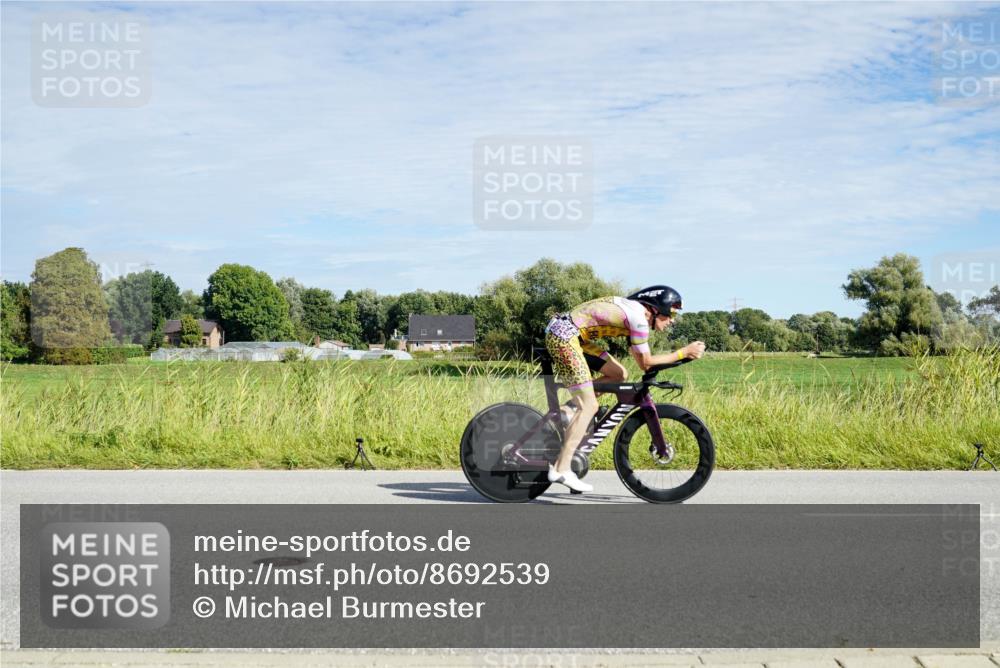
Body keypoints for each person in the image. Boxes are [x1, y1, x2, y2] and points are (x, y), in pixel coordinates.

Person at [544, 285, 706, 493]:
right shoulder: (638, 319)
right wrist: (683, 353)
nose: (672, 320)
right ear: (656, 309)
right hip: (564, 338)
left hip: (570, 336)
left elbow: (642, 359)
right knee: (590, 406)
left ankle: (569, 411)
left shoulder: (635, 312)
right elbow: (646, 363)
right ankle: (561, 469)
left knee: (618, 375)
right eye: (671, 313)